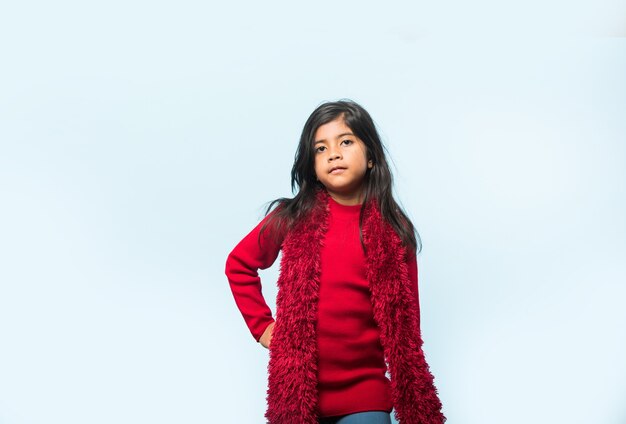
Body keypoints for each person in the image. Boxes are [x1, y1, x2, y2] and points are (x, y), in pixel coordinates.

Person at [225, 100, 445, 424]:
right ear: (311, 163)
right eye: (320, 148)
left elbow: (407, 324)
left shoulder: (394, 229)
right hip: (301, 394)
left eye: (345, 141)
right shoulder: (292, 218)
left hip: (365, 395)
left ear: (370, 156)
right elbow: (239, 264)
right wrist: (263, 328)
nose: (333, 154)